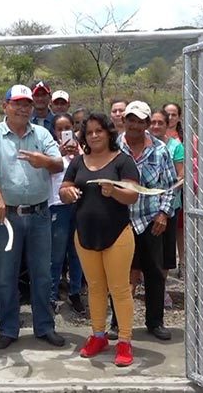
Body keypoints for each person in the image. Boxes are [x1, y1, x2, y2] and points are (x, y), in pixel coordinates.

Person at [0, 84, 66, 350]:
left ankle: (45, 327)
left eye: (27, 104)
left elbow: (59, 163)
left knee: (42, 274)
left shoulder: (41, 134)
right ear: (6, 106)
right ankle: (8, 328)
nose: (23, 108)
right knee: (5, 274)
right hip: (7, 218)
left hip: (39, 214)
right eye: (17, 103)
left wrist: (44, 161)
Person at [60, 112, 140, 367]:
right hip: (84, 235)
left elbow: (133, 196)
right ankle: (98, 335)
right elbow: (64, 190)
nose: (94, 135)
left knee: (119, 289)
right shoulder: (78, 162)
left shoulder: (123, 161)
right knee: (94, 288)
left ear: (109, 134)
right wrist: (68, 192)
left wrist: (114, 191)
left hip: (117, 235)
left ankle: (125, 340)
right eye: (89, 132)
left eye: (99, 131)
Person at [119, 101, 177, 341]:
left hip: (151, 220)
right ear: (124, 121)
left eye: (140, 121)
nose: (134, 125)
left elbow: (170, 185)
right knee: (120, 274)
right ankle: (118, 323)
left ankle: (155, 321)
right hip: (120, 220)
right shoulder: (113, 147)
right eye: (130, 120)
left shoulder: (161, 150)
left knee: (154, 272)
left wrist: (164, 213)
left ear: (146, 124)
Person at [48, 113, 84, 314]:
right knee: (57, 253)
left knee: (77, 252)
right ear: (54, 130)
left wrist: (77, 156)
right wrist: (58, 155)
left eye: (67, 127)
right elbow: (45, 172)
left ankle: (75, 291)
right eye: (59, 128)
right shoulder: (50, 148)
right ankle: (52, 294)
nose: (63, 132)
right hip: (56, 205)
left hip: (78, 205)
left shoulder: (82, 150)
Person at [150, 109, 185, 303]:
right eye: (152, 122)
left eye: (160, 123)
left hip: (170, 205)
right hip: (146, 206)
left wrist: (167, 190)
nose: (156, 126)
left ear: (167, 125)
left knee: (165, 250)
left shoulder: (176, 147)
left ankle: (160, 289)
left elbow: (182, 176)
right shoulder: (145, 144)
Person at [161, 103, 186, 277]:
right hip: (149, 202)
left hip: (174, 197)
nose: (170, 118)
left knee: (175, 232)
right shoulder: (148, 141)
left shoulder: (179, 144)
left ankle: (183, 263)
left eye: (174, 114)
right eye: (167, 115)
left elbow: (184, 172)